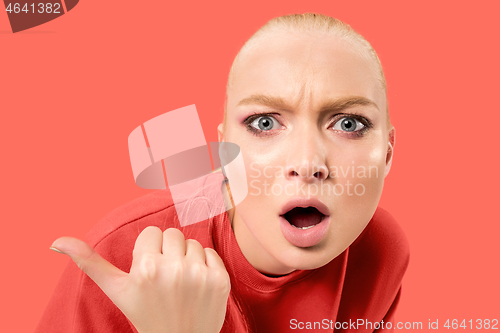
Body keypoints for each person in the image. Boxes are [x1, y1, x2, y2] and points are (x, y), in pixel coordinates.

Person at [35, 13, 409, 333]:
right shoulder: (122, 258)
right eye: (264, 122)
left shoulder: (378, 250)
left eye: (348, 124)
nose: (309, 163)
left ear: (388, 152)